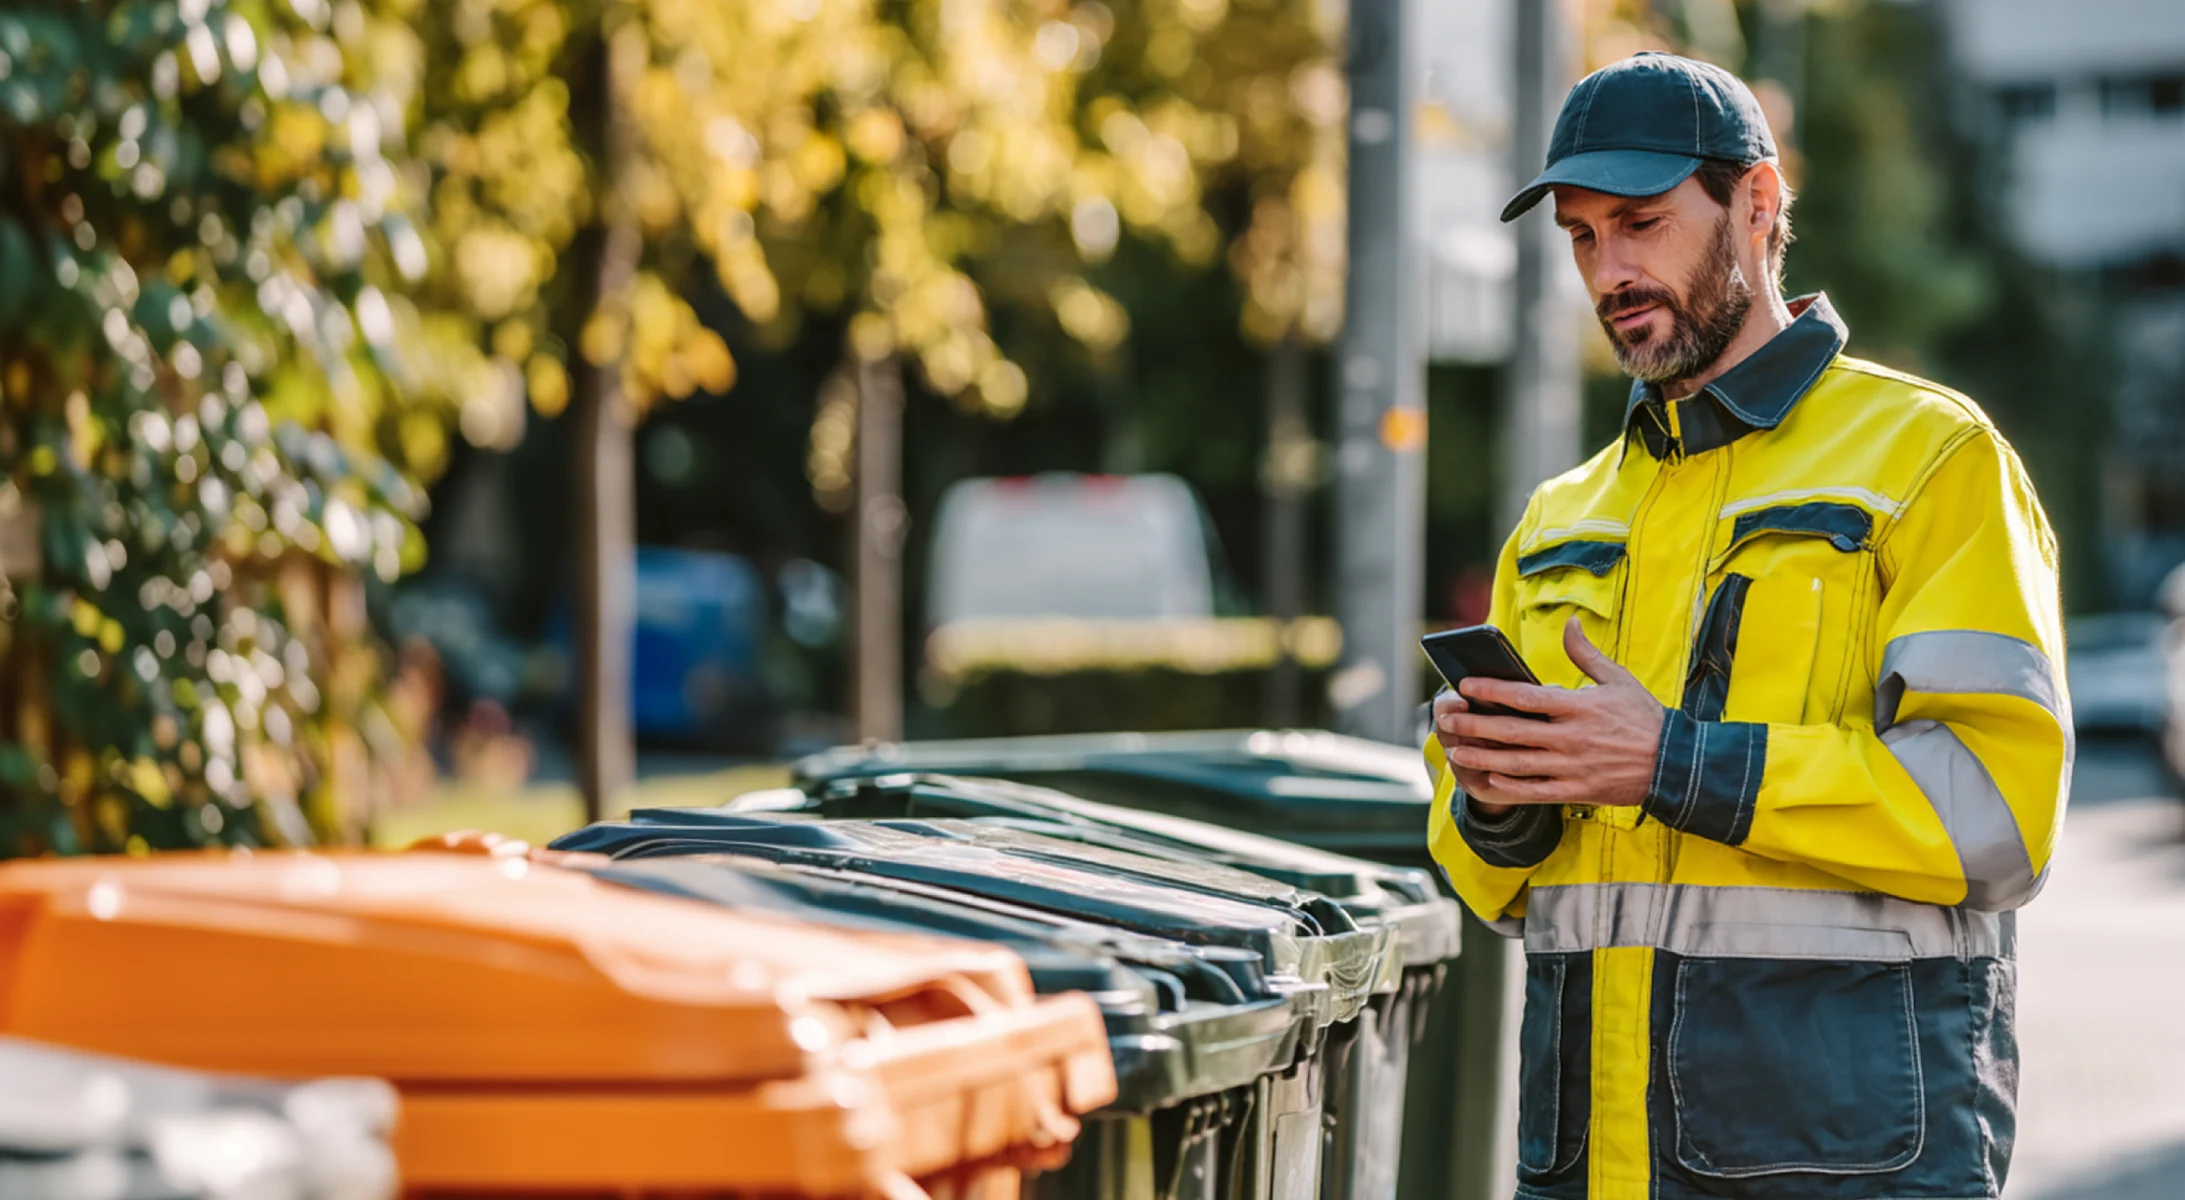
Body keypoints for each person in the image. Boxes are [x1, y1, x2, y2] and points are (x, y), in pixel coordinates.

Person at [1424, 52, 2069, 1200]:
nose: (1609, 270)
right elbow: (1490, 883)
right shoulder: (1561, 517)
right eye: (1580, 237)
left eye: (1640, 223)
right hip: (1586, 1166)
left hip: (1844, 1167)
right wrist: (1493, 794)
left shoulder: (1932, 462)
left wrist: (1675, 762)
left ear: (1758, 202)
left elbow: (1995, 820)